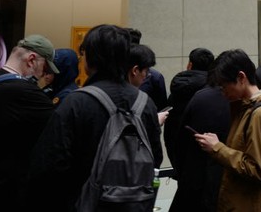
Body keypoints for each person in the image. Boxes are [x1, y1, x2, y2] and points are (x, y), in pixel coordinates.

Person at [27, 25, 163, 212]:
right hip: (134, 203)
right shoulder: (145, 103)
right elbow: (155, 157)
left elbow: (49, 166)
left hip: (83, 203)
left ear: (90, 58)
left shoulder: (76, 102)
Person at [0, 35, 56, 212]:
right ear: (31, 60)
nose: (44, 74)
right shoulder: (23, 92)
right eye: (45, 67)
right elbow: (60, 126)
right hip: (4, 192)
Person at [194, 49, 261, 212]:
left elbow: (257, 170)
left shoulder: (260, 114)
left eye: (224, 86)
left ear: (241, 78)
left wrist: (217, 148)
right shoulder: (244, 107)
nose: (223, 92)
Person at [170, 83, 231, 212]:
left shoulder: (201, 97)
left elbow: (179, 142)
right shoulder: (239, 101)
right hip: (225, 178)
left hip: (193, 175)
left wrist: (180, 172)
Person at [165, 47, 214, 163]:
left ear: (189, 65)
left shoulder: (176, 91)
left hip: (178, 153)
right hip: (205, 153)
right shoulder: (214, 91)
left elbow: (170, 128)